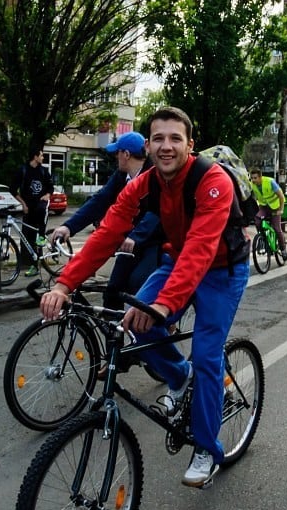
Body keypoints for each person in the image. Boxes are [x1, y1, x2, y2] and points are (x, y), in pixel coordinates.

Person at [40, 106, 251, 488]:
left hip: (222, 270)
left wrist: (163, 305)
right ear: (149, 146)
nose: (166, 146)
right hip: (176, 263)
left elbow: (201, 247)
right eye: (158, 138)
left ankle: (207, 447)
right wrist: (63, 285)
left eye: (175, 138)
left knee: (206, 356)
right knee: (133, 328)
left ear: (190, 144)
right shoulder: (144, 184)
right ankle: (177, 375)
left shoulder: (212, 180)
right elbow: (105, 234)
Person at [50, 132, 161, 310]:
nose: (116, 157)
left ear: (126, 154)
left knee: (140, 288)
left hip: (155, 242)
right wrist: (69, 227)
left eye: (117, 153)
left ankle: (162, 325)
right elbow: (100, 201)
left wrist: (136, 236)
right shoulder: (120, 177)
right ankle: (114, 336)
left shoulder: (156, 174)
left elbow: (158, 211)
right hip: (127, 243)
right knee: (113, 291)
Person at [10, 149, 55, 276]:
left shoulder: (44, 171)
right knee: (29, 239)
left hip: (41, 203)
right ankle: (34, 265)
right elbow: (12, 189)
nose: (43, 157)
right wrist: (23, 204)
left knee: (42, 211)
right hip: (28, 208)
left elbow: (51, 187)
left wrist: (47, 195)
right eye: (41, 155)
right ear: (35, 157)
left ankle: (42, 236)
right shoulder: (23, 170)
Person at [249, 168, 287, 261]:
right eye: (252, 178)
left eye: (255, 178)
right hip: (264, 207)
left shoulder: (270, 182)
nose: (253, 180)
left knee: (277, 228)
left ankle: (283, 249)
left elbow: (281, 196)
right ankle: (262, 239)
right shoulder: (252, 185)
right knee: (257, 221)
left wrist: (281, 210)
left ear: (260, 177)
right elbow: (252, 197)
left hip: (275, 207)